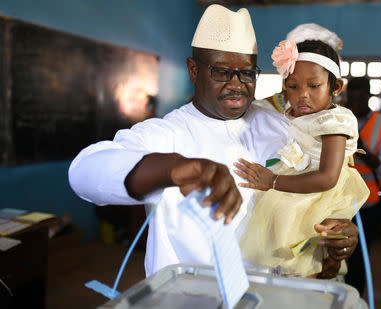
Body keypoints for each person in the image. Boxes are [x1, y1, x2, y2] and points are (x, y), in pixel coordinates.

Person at [68, 4, 359, 279]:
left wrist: (338, 236)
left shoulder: (282, 124)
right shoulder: (168, 133)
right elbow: (83, 172)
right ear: (194, 70)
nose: (236, 83)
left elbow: (314, 194)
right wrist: (173, 168)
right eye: (221, 71)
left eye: (246, 73)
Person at [233, 25, 369, 278]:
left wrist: (273, 181)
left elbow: (334, 177)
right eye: (293, 85)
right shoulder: (259, 112)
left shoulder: (333, 119)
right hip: (286, 199)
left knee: (315, 257)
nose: (303, 95)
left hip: (319, 197)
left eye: (315, 84)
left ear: (334, 85)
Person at [344, 76, 381, 295]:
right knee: (333, 256)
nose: (355, 102)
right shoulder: (339, 118)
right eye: (352, 97)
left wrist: (360, 147)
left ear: (369, 96)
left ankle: (354, 297)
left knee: (358, 258)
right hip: (337, 201)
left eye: (360, 97)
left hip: (367, 203)